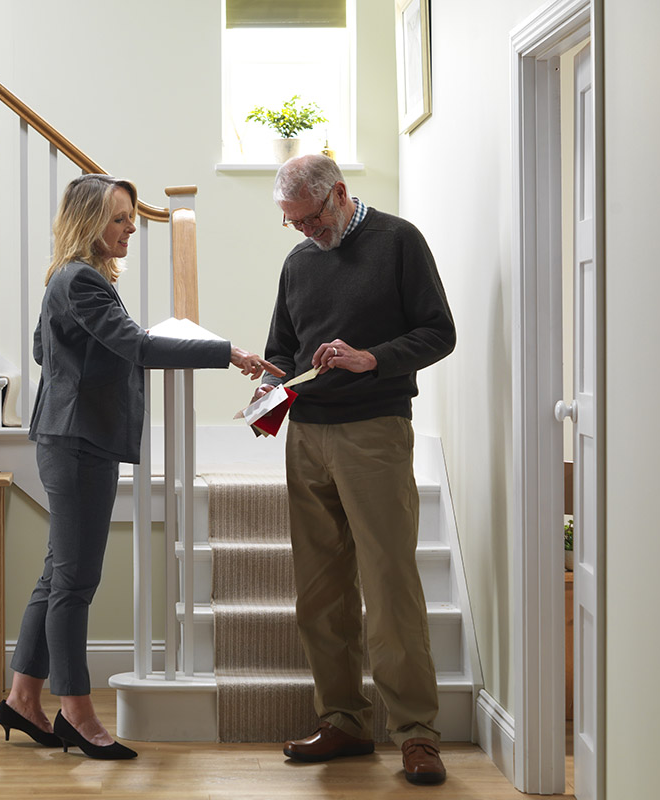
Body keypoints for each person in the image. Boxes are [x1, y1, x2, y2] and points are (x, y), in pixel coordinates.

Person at [0, 173, 283, 760]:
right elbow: (139, 347)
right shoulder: (82, 281)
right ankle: (75, 712)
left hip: (71, 437)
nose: (131, 227)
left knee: (59, 573)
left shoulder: (70, 278)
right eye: (119, 217)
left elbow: (41, 349)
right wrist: (224, 352)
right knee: (75, 582)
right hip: (79, 443)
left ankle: (22, 697)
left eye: (130, 216)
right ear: (88, 223)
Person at [253, 155, 455, 785]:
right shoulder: (298, 262)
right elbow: (281, 347)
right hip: (307, 435)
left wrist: (373, 359)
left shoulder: (398, 242)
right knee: (319, 590)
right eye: (292, 223)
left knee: (389, 585)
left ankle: (416, 734)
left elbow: (438, 333)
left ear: (338, 194)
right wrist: (269, 380)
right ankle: (342, 719)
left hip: (375, 433)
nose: (303, 232)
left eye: (309, 219)